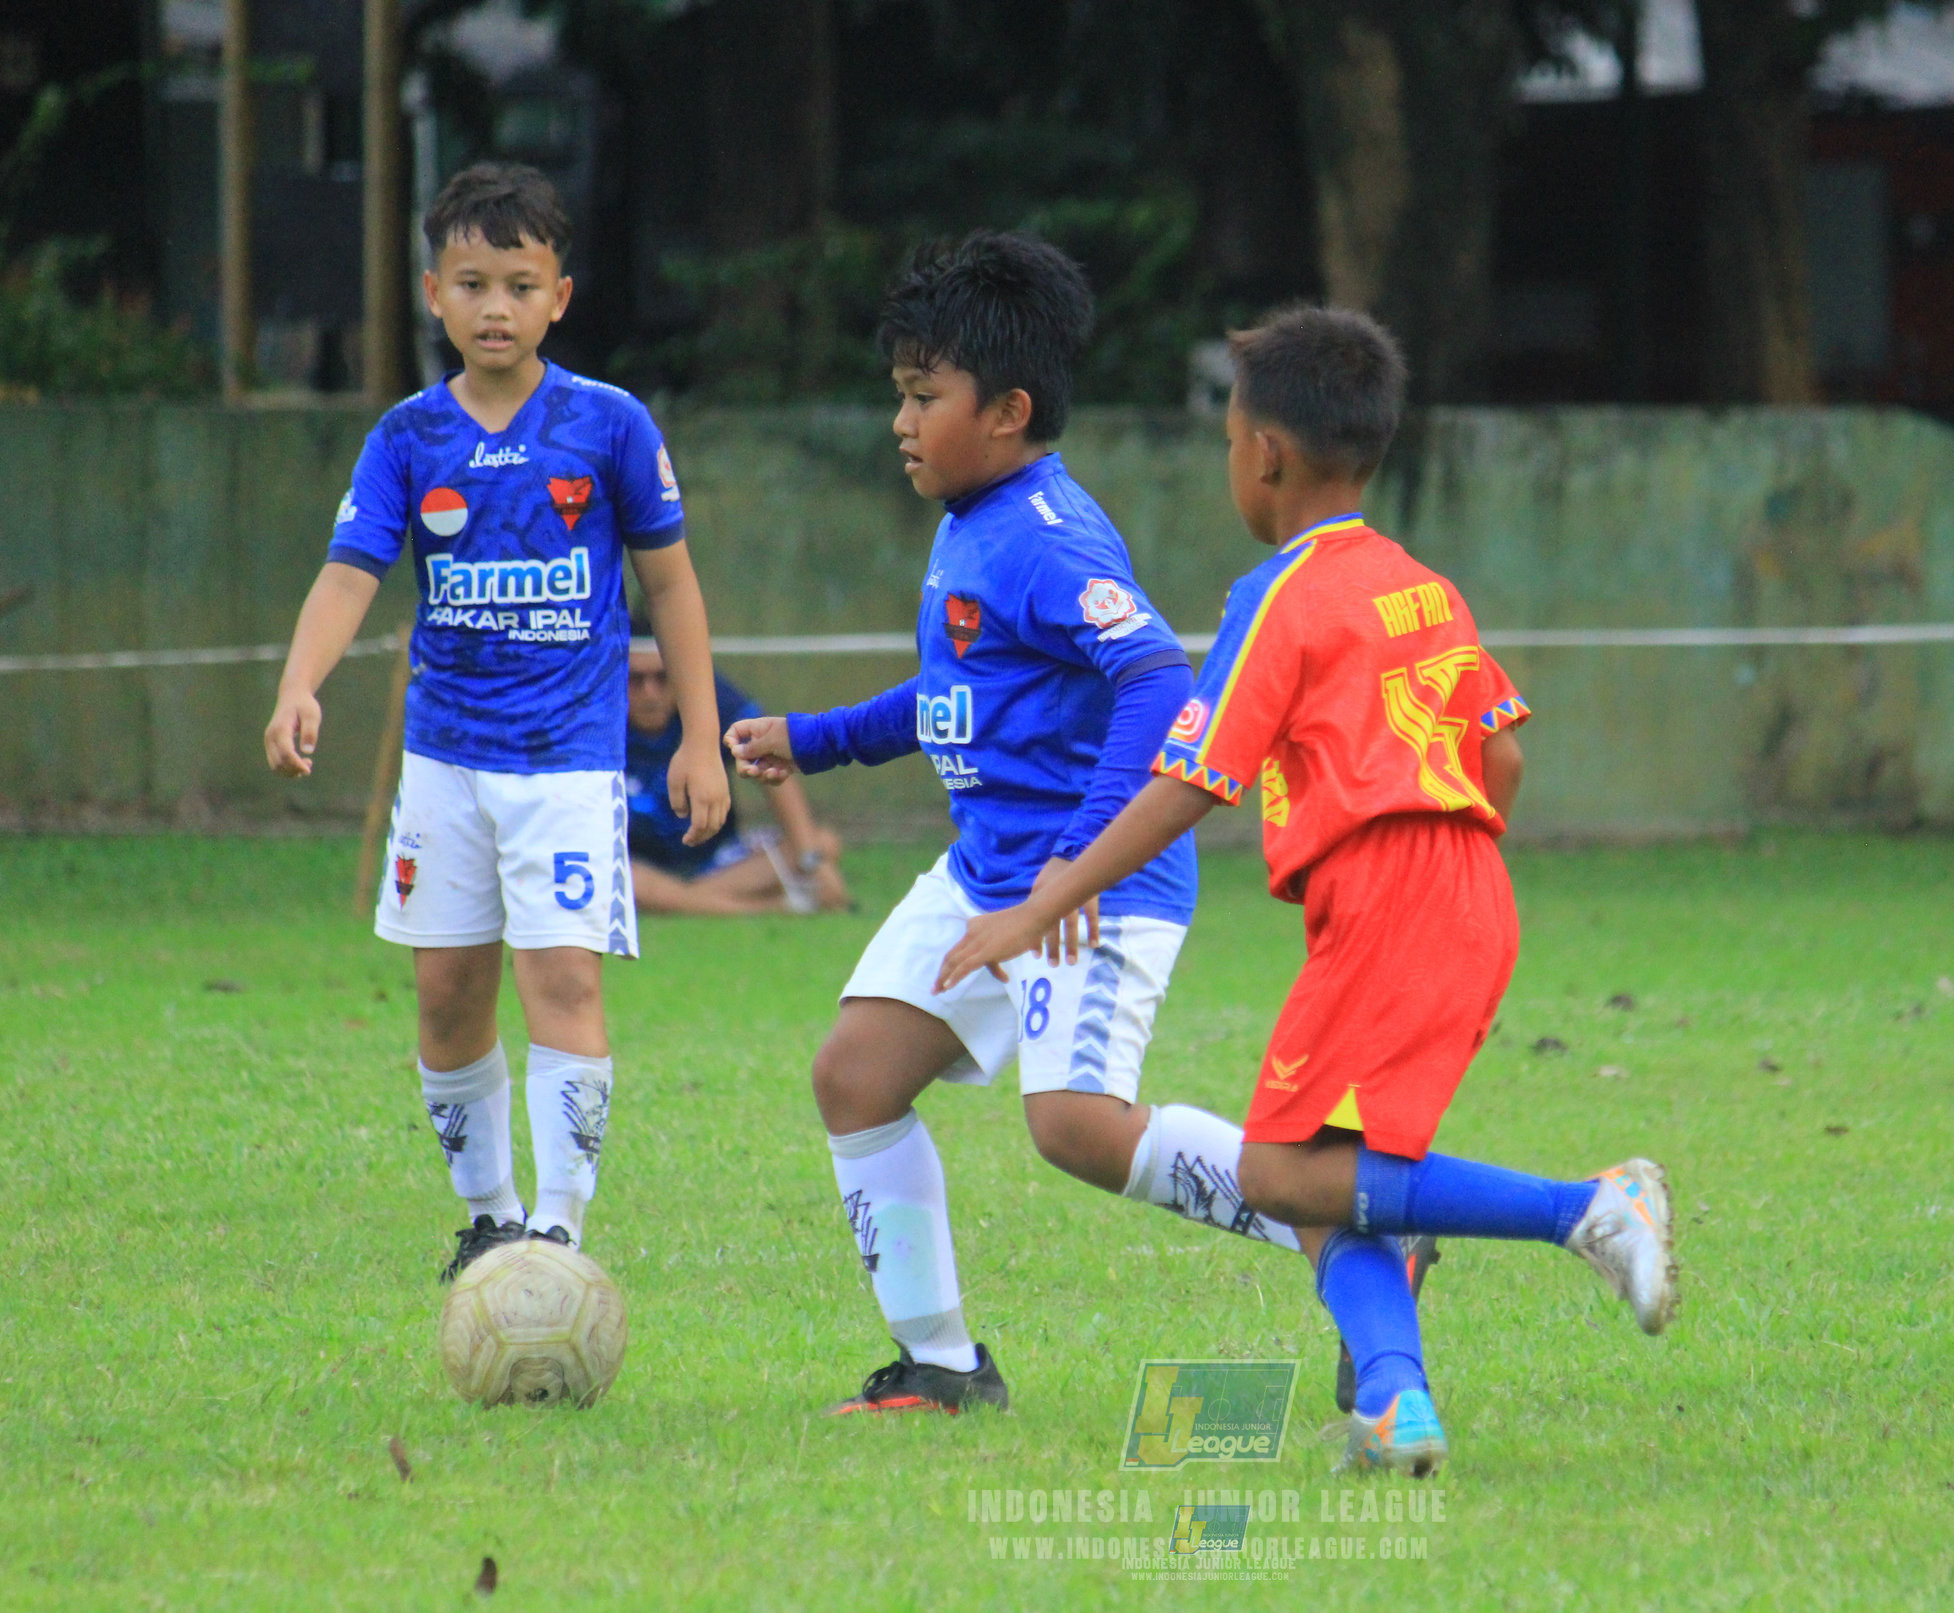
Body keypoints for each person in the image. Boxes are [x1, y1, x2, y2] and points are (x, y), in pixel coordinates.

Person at [936, 306, 1678, 1475]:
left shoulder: (1277, 595)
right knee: (1333, 1176)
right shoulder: (1420, 585)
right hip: (1470, 889)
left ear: (1263, 455)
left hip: (1388, 901)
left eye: (1229, 438)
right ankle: (1394, 1403)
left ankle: (1587, 1209)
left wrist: (1043, 901)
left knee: (1282, 1175)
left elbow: (1193, 780)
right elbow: (1505, 758)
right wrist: (1450, 878)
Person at [725, 232, 1302, 1417]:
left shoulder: (1046, 535)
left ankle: (1340, 1227)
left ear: (1008, 410)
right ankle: (940, 1367)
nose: (901, 422)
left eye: (924, 397)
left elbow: (1157, 682)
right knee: (855, 1076)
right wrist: (815, 736)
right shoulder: (967, 521)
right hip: (984, 873)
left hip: (1088, 883)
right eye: (901, 394)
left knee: (1077, 1126)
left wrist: (1077, 863)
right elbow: (950, 699)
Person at [262, 162, 730, 1280]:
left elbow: (671, 586)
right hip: (445, 766)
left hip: (569, 763)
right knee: (445, 991)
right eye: (472, 283)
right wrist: (298, 682)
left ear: (558, 295)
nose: (495, 308)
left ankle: (559, 1233)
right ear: (434, 293)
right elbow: (348, 573)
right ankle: (489, 1214)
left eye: (519, 285)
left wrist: (703, 736)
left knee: (562, 979)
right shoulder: (408, 437)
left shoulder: (609, 425)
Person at [624, 630, 850, 915]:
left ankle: (678, 901)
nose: (650, 693)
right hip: (638, 864)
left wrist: (810, 861)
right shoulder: (598, 718)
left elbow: (768, 758)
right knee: (622, 878)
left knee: (821, 843)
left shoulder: (707, 696)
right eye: (635, 680)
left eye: (662, 678)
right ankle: (772, 908)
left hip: (719, 861)